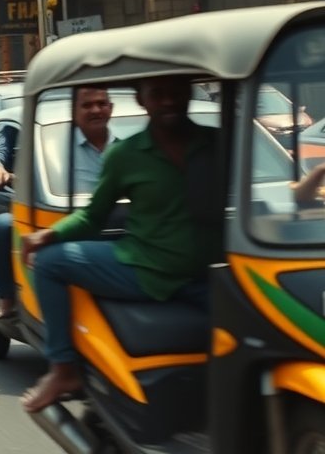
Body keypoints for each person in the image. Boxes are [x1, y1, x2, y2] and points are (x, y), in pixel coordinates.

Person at [19, 76, 221, 412]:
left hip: (213, 274)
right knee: (51, 261)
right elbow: (92, 216)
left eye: (176, 91)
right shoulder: (125, 155)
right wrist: (48, 235)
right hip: (144, 268)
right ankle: (63, 369)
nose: (169, 101)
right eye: (159, 93)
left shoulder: (218, 143)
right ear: (143, 100)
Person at [0, 87, 116, 320]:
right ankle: (8, 299)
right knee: (6, 227)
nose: (95, 110)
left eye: (101, 104)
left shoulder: (124, 149)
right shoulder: (49, 136)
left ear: (110, 108)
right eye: (87, 106)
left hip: (113, 222)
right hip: (52, 214)